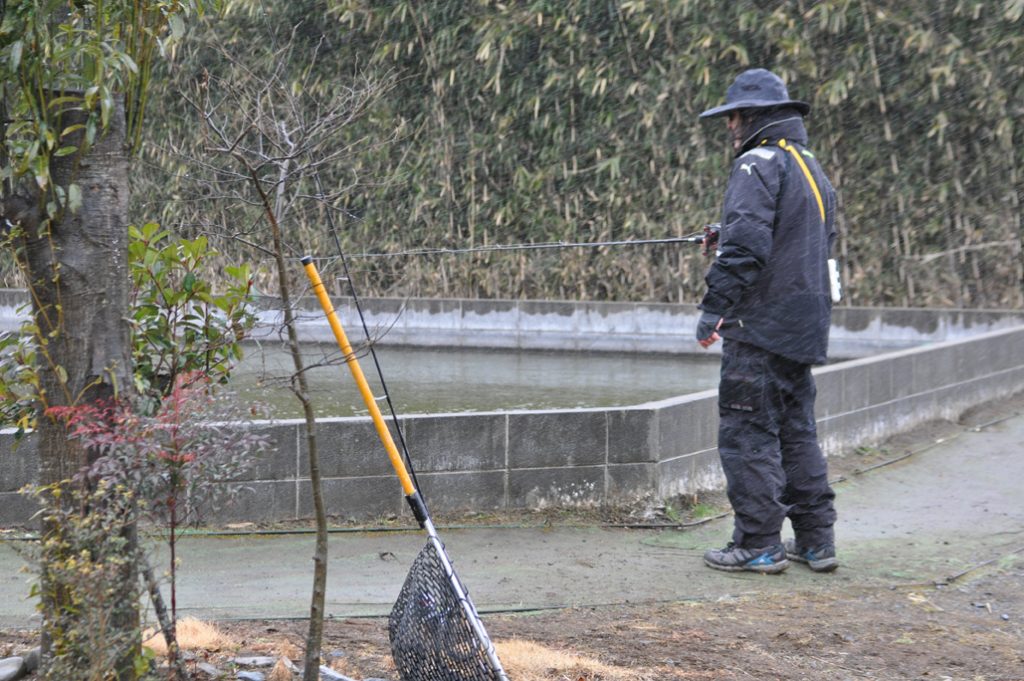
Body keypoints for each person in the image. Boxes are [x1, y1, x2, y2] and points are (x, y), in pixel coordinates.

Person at [695, 68, 839, 574]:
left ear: (751, 117)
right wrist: (726, 230)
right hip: (804, 324)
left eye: (732, 116)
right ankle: (817, 542)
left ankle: (757, 544)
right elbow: (804, 241)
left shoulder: (756, 164)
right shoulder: (809, 166)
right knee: (797, 432)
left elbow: (746, 250)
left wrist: (713, 310)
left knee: (747, 434)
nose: (729, 125)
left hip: (757, 326)